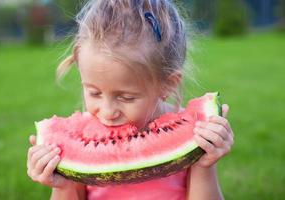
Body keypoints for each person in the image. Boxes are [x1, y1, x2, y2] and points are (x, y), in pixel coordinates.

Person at [27, 0, 234, 199]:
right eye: (94, 93)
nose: (107, 112)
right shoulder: (85, 135)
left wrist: (204, 164)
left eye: (125, 97)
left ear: (168, 84)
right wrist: (63, 185)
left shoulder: (194, 135)